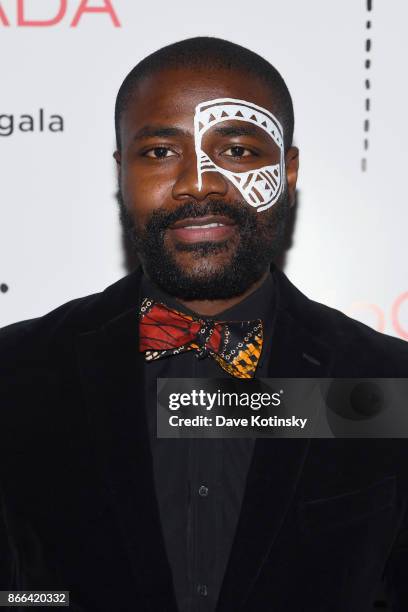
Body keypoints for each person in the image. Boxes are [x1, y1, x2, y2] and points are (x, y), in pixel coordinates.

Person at [0, 37, 407, 612]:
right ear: (121, 171)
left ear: (288, 172)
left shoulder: (390, 384)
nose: (198, 183)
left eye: (238, 150)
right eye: (160, 152)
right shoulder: (15, 375)